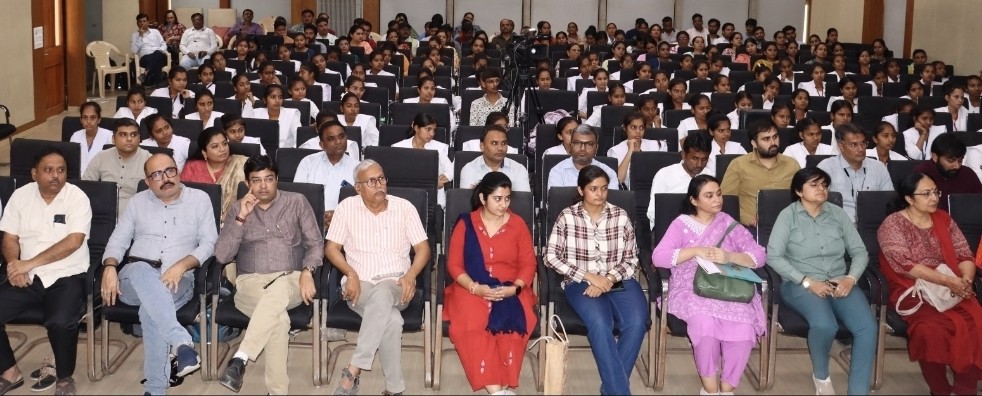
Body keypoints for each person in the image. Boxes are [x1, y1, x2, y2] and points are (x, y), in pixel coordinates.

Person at [100, 153, 216, 395]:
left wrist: (182, 265)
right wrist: (110, 267)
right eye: (157, 175)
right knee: (142, 270)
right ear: (148, 181)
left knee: (151, 310)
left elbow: (209, 243)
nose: (166, 178)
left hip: (178, 281)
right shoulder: (137, 202)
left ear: (178, 171)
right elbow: (118, 240)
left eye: (170, 171)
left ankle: (155, 389)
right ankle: (181, 342)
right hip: (134, 278)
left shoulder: (200, 199)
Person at [214, 155, 322, 395]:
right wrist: (241, 217)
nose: (263, 186)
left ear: (277, 180)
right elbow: (222, 256)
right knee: (279, 321)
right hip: (250, 282)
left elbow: (315, 244)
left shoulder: (297, 202)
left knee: (281, 288)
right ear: (247, 183)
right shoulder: (237, 209)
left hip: (292, 278)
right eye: (256, 180)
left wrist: (308, 270)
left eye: (268, 179)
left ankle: (240, 357)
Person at [652, 174, 766, 395]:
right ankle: (710, 389)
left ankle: (728, 387)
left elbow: (759, 255)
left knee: (744, 330)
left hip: (729, 287)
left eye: (719, 194)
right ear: (694, 201)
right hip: (692, 287)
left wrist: (729, 257)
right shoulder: (681, 224)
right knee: (705, 329)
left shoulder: (729, 224)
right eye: (709, 195)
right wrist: (695, 251)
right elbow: (659, 257)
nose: (717, 200)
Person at [766, 167, 876, 395]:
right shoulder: (788, 216)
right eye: (814, 185)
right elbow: (773, 256)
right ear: (798, 190)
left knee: (867, 328)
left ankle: (858, 391)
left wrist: (850, 279)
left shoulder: (837, 214)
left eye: (824, 185)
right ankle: (821, 375)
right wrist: (807, 282)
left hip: (839, 282)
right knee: (825, 325)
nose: (821, 189)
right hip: (800, 284)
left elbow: (859, 252)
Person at [325, 159, 430, 395]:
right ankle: (395, 389)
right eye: (371, 181)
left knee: (383, 292)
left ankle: (353, 370)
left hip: (397, 284)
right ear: (358, 187)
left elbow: (423, 248)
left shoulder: (404, 208)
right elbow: (331, 248)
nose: (379, 184)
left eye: (381, 178)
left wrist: (412, 275)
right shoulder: (346, 208)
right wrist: (350, 273)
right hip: (358, 285)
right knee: (392, 322)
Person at [544, 165, 647, 396]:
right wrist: (590, 277)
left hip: (619, 279)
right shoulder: (567, 217)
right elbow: (551, 257)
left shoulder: (620, 216)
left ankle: (611, 388)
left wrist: (607, 279)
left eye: (604, 188)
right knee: (601, 325)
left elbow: (632, 258)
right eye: (593, 189)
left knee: (637, 323)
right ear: (581, 190)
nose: (600, 194)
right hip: (580, 282)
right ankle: (620, 391)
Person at [877, 172, 982, 396]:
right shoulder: (893, 225)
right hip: (914, 290)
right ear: (909, 198)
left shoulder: (944, 219)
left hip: (954, 286)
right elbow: (906, 266)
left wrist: (965, 280)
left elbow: (964, 255)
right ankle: (940, 389)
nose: (934, 197)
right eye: (926, 193)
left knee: (977, 323)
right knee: (929, 331)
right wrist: (948, 281)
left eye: (936, 192)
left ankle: (966, 388)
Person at [0, 148, 91, 396]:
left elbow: (73, 242)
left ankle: (63, 378)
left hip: (67, 274)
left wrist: (26, 264)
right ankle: (9, 371)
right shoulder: (20, 196)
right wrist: (13, 265)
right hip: (26, 276)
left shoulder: (77, 197)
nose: (56, 176)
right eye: (48, 170)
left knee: (60, 322)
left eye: (61, 170)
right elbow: (9, 238)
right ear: (34, 174)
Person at [444, 172, 536, 395]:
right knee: (474, 324)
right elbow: (454, 265)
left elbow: (528, 264)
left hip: (511, 288)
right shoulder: (467, 223)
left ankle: (501, 387)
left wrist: (514, 288)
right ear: (483, 199)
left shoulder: (518, 224)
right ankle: (497, 390)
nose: (504, 204)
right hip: (470, 287)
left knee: (514, 325)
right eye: (498, 198)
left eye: (507, 198)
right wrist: (476, 288)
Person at [720, 120, 800, 226]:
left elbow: (803, 197)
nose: (773, 143)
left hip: (788, 225)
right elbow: (727, 200)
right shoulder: (738, 165)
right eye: (766, 139)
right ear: (754, 143)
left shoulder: (792, 164)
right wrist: (748, 219)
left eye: (775, 137)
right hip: (750, 228)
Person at [817, 123, 894, 221]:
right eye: (854, 145)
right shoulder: (826, 168)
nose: (861, 149)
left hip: (872, 225)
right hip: (837, 225)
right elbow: (817, 203)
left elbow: (889, 202)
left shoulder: (879, 168)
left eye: (863, 143)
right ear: (841, 146)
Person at [294, 120, 359, 231]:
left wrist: (338, 217)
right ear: (322, 145)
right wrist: (319, 217)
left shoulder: (358, 168)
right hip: (310, 224)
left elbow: (362, 203)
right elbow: (297, 198)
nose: (338, 141)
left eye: (341, 136)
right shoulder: (308, 162)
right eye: (331, 139)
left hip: (347, 226)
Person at [82, 118, 152, 219]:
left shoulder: (150, 160)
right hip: (103, 214)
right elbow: (86, 186)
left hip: (138, 215)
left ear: (139, 138)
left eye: (133, 135)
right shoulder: (101, 156)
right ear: (113, 139)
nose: (129, 139)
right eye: (123, 134)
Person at [180, 127, 248, 221]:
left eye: (224, 144)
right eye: (215, 146)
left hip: (234, 221)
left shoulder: (241, 164)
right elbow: (181, 196)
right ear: (204, 152)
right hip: (196, 219)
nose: (222, 149)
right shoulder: (192, 167)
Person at [647, 131, 712, 226]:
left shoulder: (710, 176)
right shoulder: (664, 175)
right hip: (671, 229)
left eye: (704, 160)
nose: (699, 164)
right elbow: (654, 212)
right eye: (694, 159)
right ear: (683, 155)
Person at [392, 113, 454, 206]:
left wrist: (434, 183)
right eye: (428, 129)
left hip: (434, 197)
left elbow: (451, 170)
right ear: (416, 128)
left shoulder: (438, 147)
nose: (432, 134)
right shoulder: (398, 147)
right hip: (405, 196)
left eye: (434, 130)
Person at [911, 133, 982, 211]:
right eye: (951, 161)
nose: (957, 166)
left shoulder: (968, 174)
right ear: (935, 157)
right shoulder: (922, 174)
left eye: (960, 160)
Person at [457, 124, 531, 191]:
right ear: (482, 146)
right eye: (494, 143)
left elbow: (522, 202)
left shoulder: (518, 169)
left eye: (504, 143)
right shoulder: (470, 169)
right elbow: (469, 202)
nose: (500, 148)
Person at [546, 125, 618, 190]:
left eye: (589, 144)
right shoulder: (558, 172)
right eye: (577, 143)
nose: (583, 148)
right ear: (571, 146)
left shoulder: (609, 173)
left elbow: (612, 203)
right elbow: (556, 203)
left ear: (596, 148)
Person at [608, 111, 667, 187]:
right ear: (625, 128)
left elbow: (664, 174)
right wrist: (629, 152)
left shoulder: (657, 145)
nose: (638, 131)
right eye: (633, 127)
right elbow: (618, 180)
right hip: (630, 192)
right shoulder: (616, 150)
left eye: (641, 127)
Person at [251, 84, 300, 149]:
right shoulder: (255, 114)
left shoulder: (292, 114)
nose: (277, 101)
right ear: (265, 100)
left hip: (284, 153)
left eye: (280, 97)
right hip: (260, 153)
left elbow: (299, 138)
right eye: (273, 97)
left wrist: (289, 153)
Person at [71, 102, 113, 172]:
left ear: (99, 119)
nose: (89, 121)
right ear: (81, 120)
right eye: (85, 118)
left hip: (101, 179)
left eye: (92, 118)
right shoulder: (75, 136)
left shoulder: (109, 136)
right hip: (79, 179)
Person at [131, 13, 168, 86]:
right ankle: (159, 85)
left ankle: (145, 73)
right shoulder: (135, 35)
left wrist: (160, 50)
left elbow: (163, 44)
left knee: (157, 54)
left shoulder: (155, 32)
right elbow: (134, 51)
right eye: (140, 21)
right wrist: (140, 36)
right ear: (137, 23)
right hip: (145, 58)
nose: (142, 23)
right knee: (157, 61)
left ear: (148, 22)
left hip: (160, 54)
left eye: (144, 21)